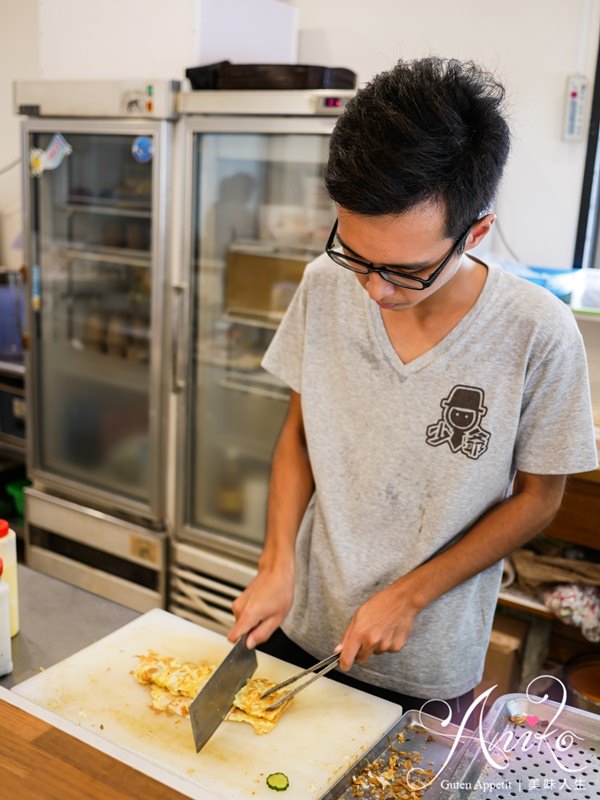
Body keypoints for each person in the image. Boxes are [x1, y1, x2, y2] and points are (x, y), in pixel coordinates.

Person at [227, 57, 598, 721]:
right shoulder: (324, 284)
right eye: (357, 255)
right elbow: (300, 437)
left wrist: (413, 593)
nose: (374, 290)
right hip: (300, 624)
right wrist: (276, 561)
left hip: (427, 660)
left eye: (404, 270)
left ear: (476, 232)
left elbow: (540, 500)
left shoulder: (537, 332)